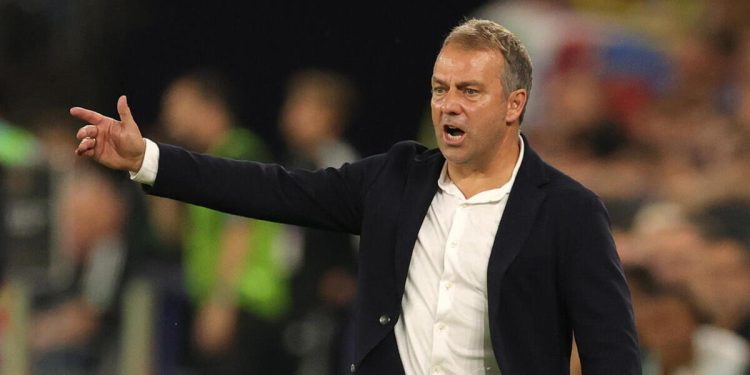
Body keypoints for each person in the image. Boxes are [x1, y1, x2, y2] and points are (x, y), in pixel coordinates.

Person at [70, 19, 640, 374]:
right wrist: (148, 158)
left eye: (470, 91)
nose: (449, 106)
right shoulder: (393, 179)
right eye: (441, 89)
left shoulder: (568, 210)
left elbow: (611, 355)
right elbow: (271, 189)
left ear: (515, 104)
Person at [153, 70, 292, 374]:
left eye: (177, 104)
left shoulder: (238, 152)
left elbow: (238, 230)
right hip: (220, 301)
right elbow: (173, 238)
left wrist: (221, 302)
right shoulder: (204, 161)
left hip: (245, 303)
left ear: (209, 106)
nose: (168, 114)